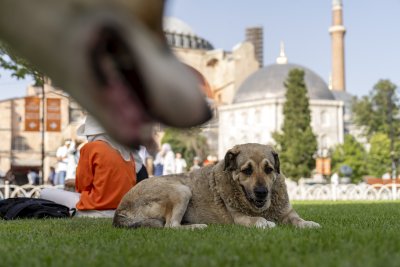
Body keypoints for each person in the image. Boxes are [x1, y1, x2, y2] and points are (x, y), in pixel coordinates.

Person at [40, 114, 137, 217]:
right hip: (121, 207)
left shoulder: (91, 147)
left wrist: (74, 182)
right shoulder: (127, 151)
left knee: (45, 192)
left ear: (91, 134)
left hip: (96, 205)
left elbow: (83, 186)